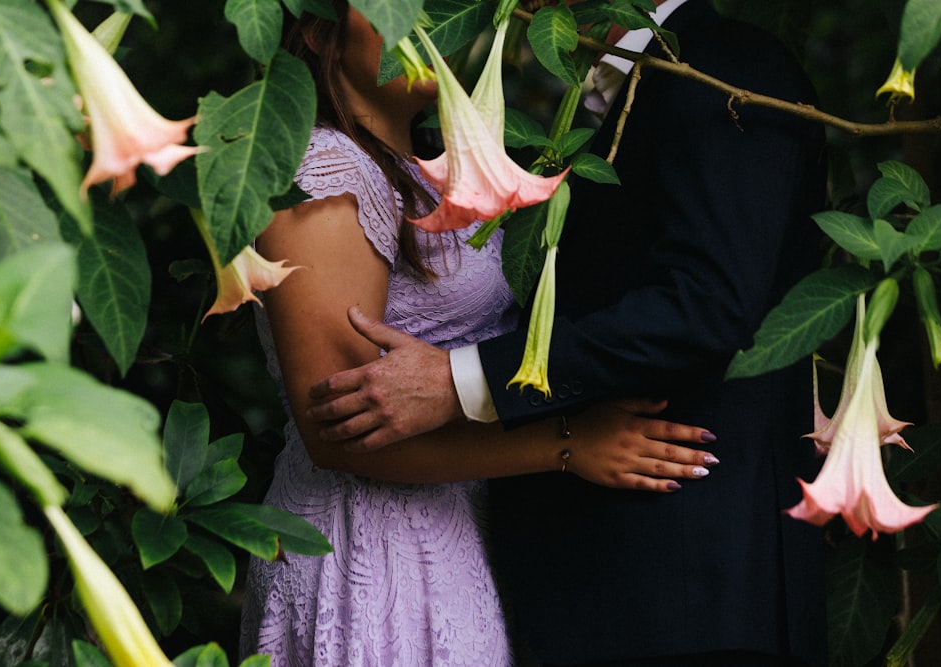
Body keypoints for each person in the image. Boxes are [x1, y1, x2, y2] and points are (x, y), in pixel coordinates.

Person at [305, 0, 830, 665]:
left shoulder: (724, 71)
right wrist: (561, 443)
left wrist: (463, 380)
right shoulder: (615, 100)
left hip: (694, 599)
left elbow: (710, 304)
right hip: (596, 588)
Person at [238, 4, 721, 666]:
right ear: (319, 32)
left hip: (444, 531)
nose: (426, 21)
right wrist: (567, 444)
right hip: (370, 544)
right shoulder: (322, 169)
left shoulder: (419, 166)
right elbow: (341, 428)